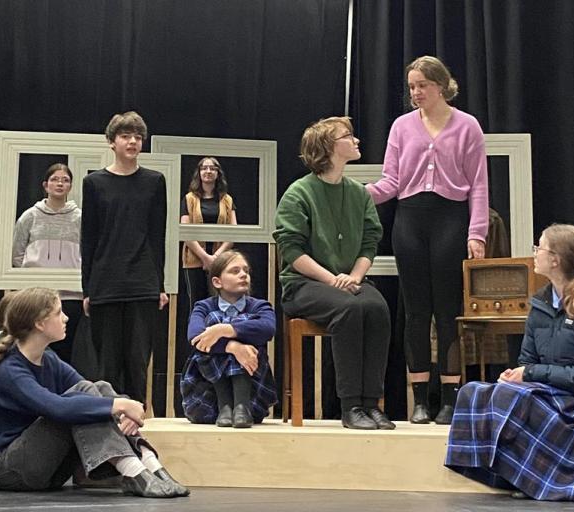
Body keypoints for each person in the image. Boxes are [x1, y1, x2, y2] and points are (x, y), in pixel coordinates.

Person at [445, 224, 574, 501]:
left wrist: (530, 373)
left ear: (555, 259)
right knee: (476, 392)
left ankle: (534, 477)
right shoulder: (541, 304)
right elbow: (527, 359)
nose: (534, 253)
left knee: (520, 401)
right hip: (553, 392)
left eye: (539, 247)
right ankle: (510, 473)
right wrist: (517, 375)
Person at [366, 56, 489, 424]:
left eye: (421, 85)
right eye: (411, 87)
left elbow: (479, 186)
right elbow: (390, 181)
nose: (415, 92)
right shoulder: (402, 127)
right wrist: (354, 194)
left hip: (450, 220)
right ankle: (419, 398)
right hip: (410, 221)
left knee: (448, 311)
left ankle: (450, 397)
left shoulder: (468, 126)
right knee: (416, 311)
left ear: (440, 85)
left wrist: (476, 233)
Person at [0, 287, 188, 497]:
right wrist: (121, 406)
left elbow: (92, 390)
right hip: (14, 470)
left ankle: (149, 464)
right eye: (58, 313)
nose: (66, 317)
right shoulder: (10, 369)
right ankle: (135, 470)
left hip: (48, 469)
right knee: (81, 397)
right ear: (40, 324)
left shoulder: (48, 358)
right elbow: (56, 407)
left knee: (99, 388)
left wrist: (126, 408)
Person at [273, 116, 394, 430]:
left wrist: (354, 275)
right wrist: (332, 279)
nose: (356, 141)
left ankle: (372, 403)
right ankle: (351, 405)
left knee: (378, 307)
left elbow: (370, 242)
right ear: (328, 147)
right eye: (348, 136)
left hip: (347, 281)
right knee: (350, 309)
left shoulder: (358, 193)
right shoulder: (298, 193)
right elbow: (292, 250)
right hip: (304, 284)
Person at [80, 111, 168, 404]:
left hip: (143, 281)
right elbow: (88, 238)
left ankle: (137, 429)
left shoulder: (155, 182)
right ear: (112, 142)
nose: (132, 141)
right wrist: (87, 288)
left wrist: (160, 284)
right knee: (107, 364)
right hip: (105, 281)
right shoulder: (94, 183)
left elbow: (158, 236)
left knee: (137, 360)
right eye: (125, 136)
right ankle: (110, 429)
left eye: (138, 137)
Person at [180, 250, 277, 428]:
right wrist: (232, 347)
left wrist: (226, 330)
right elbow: (196, 337)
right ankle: (226, 405)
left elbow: (268, 329)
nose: (243, 275)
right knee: (214, 320)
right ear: (217, 281)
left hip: (253, 394)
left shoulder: (259, 306)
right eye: (235, 271)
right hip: (207, 399)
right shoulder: (203, 306)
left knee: (236, 324)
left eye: (246, 271)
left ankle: (241, 405)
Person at [12, 163, 82, 364]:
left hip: (70, 294)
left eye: (65, 180)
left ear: (70, 186)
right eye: (55, 179)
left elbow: (88, 252)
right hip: (36, 294)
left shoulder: (80, 218)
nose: (60, 183)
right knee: (34, 346)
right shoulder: (30, 216)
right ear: (45, 185)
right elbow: (17, 252)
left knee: (65, 349)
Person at [181, 156, 237, 310]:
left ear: (218, 173)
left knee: (220, 305)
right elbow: (185, 231)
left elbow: (234, 231)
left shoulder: (227, 200)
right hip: (194, 259)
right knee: (197, 305)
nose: (208, 171)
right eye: (204, 168)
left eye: (212, 168)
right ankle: (196, 334)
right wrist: (205, 258)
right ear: (199, 173)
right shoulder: (189, 199)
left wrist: (216, 258)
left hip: (221, 260)